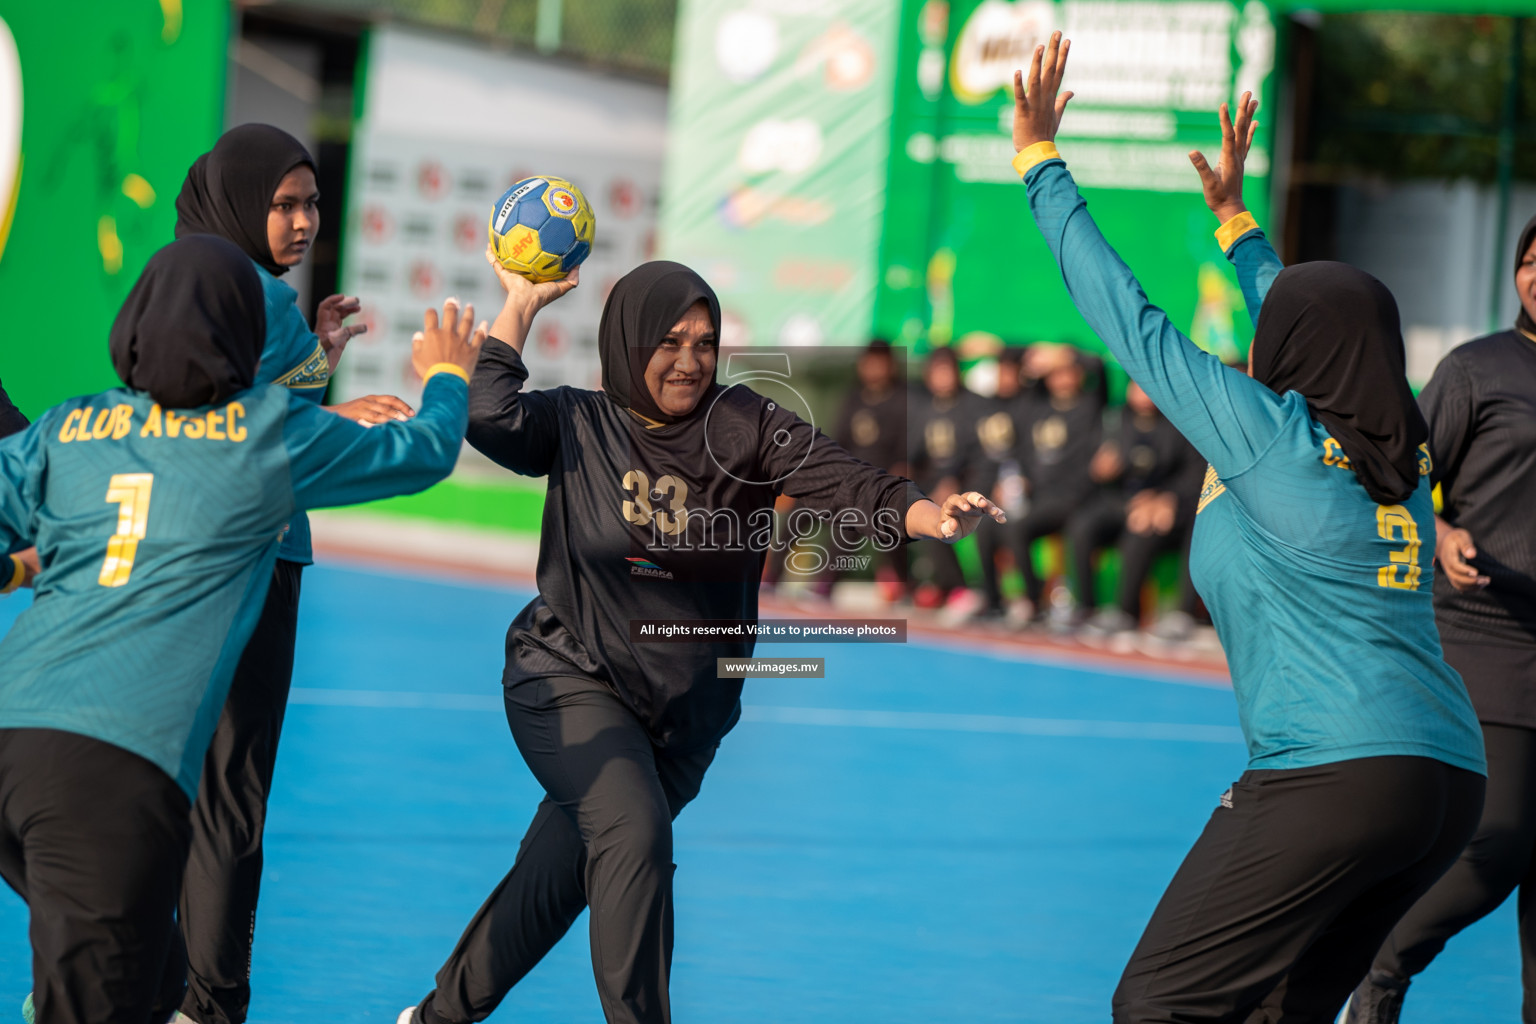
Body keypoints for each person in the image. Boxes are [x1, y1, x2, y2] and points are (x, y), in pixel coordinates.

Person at [398, 251, 1004, 1024]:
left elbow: (846, 478)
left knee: (556, 882)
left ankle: (434, 1018)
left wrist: (926, 513)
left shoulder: (743, 425)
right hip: (569, 676)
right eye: (669, 341)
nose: (689, 361)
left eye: (704, 342)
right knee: (634, 834)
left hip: (686, 718)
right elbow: (488, 413)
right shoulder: (578, 422)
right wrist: (521, 303)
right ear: (627, 342)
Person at [1012, 37, 1485, 1022]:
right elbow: (1322, 319)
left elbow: (1129, 319)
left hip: (1332, 770)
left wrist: (1040, 164)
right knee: (1280, 1011)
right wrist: (1236, 227)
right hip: (1445, 782)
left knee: (1157, 1004)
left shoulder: (1269, 432)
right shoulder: (1402, 449)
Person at [0, 234, 477, 1024]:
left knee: (154, 987)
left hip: (10, 735)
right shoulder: (267, 434)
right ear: (246, 337)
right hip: (111, 772)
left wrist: (18, 571)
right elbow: (422, 452)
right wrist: (449, 375)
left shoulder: (72, 426)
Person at [169, 123, 415, 1024]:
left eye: (311, 202)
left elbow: (242, 394)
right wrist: (342, 417)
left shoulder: (229, 284)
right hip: (248, 557)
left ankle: (148, 984)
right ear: (241, 199)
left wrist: (319, 352)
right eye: (284, 203)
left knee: (182, 785)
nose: (305, 220)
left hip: (212, 552)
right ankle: (209, 1002)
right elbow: (212, 411)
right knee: (231, 794)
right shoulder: (235, 288)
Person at [1339, 214, 1536, 1024]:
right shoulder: (1476, 370)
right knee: (1499, 838)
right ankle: (1376, 974)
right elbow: (1400, 482)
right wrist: (1445, 530)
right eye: (1532, 259)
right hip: (1488, 630)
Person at [1065, 381, 1197, 636]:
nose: (1143, 392)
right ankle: (1085, 607)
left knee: (1140, 530)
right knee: (1082, 525)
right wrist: (1100, 471)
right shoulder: (1115, 419)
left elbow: (1192, 473)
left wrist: (1166, 497)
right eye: (1137, 385)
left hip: (1162, 504)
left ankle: (1126, 613)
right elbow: (1094, 467)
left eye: (1148, 386)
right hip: (1120, 499)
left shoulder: (1179, 422)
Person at [1012, 344, 1103, 623]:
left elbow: (1097, 365)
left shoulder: (1089, 405)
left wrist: (1066, 354)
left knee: (1076, 532)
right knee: (1008, 528)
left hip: (1075, 498)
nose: (1062, 379)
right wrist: (1036, 366)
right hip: (1041, 498)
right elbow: (1023, 383)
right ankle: (1033, 600)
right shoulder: (1037, 408)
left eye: (1068, 372)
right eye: (1055, 374)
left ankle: (1087, 607)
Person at [905, 346, 984, 608]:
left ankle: (959, 589)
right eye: (936, 371)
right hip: (932, 483)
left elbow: (978, 452)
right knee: (898, 506)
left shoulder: (972, 405)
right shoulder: (924, 408)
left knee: (939, 516)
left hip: (967, 483)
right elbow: (914, 453)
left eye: (946, 371)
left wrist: (954, 481)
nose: (942, 378)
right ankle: (911, 583)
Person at [974, 346, 1032, 621]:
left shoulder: (1032, 404)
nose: (1005, 377)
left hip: (1028, 489)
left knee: (1013, 528)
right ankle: (992, 599)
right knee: (983, 529)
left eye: (1011, 371)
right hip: (995, 490)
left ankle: (1031, 599)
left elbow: (1030, 455)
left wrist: (1020, 482)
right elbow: (984, 457)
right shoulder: (987, 406)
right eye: (1001, 371)